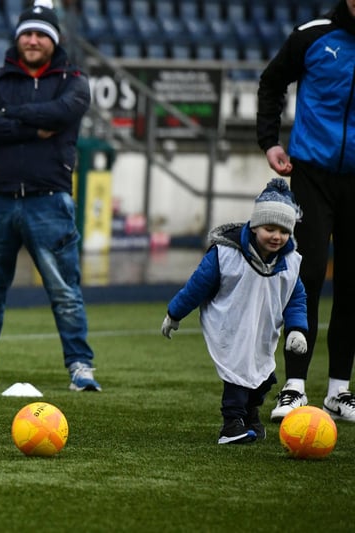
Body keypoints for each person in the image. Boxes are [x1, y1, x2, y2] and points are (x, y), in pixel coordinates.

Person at [0, 0, 99, 391]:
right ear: (17, 39)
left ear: (54, 39)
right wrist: (33, 126)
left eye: (40, 34)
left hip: (50, 200)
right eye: (26, 33)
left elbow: (64, 114)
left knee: (65, 292)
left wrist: (9, 115)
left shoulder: (74, 80)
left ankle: (81, 367)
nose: (32, 40)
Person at [257, 0, 355, 423]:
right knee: (308, 273)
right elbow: (271, 81)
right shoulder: (313, 34)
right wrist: (269, 141)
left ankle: (339, 391)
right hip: (312, 175)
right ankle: (295, 386)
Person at [161, 178, 308, 444]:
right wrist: (174, 314)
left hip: (263, 328)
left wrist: (297, 329)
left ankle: (251, 414)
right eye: (269, 228)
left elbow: (295, 297)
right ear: (254, 226)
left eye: (283, 231)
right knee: (237, 376)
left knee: (263, 378)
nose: (276, 236)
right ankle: (231, 425)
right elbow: (197, 286)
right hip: (230, 323)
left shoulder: (290, 262)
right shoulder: (225, 254)